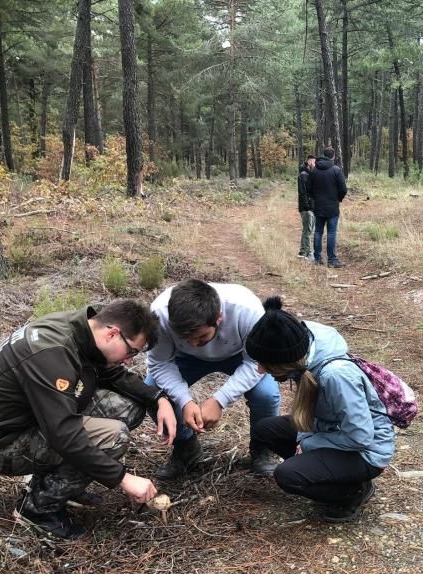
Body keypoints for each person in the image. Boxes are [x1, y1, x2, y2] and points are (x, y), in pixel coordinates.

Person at [0, 301, 176, 539]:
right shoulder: (52, 352)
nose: (129, 360)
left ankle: (63, 484)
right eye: (131, 352)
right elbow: (64, 434)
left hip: (33, 418)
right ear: (112, 333)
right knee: (113, 436)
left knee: (128, 408)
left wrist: (158, 398)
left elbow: (112, 374)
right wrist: (123, 478)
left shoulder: (83, 330)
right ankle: (37, 510)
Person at [245, 296, 395, 523]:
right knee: (265, 429)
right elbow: (310, 413)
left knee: (287, 475)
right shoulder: (304, 352)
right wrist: (306, 440)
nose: (259, 369)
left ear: (285, 360)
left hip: (367, 451)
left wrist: (309, 444)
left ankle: (351, 492)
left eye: (265, 363)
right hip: (332, 429)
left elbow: (361, 437)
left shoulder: (336, 375)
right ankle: (327, 473)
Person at [146, 280, 281, 479]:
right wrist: (184, 400)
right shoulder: (159, 315)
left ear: (219, 318)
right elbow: (160, 363)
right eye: (185, 337)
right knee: (151, 392)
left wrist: (220, 400)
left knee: (266, 395)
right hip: (185, 358)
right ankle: (186, 447)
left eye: (200, 336)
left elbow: (255, 363)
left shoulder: (247, 310)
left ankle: (262, 448)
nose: (194, 343)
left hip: (239, 354)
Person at [308, 146, 348, 267]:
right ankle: (332, 260)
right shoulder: (336, 170)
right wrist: (338, 199)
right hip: (332, 207)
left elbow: (309, 188)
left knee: (318, 232)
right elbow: (343, 189)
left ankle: (317, 258)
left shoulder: (314, 170)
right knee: (331, 233)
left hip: (318, 206)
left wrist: (315, 199)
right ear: (333, 156)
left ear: (323, 155)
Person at [297, 155, 316, 260]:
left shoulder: (309, 174)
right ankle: (308, 253)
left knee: (307, 230)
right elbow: (302, 193)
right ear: (309, 163)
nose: (315, 165)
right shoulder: (304, 175)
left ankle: (303, 251)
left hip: (309, 207)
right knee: (308, 231)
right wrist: (307, 207)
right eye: (314, 163)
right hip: (306, 208)